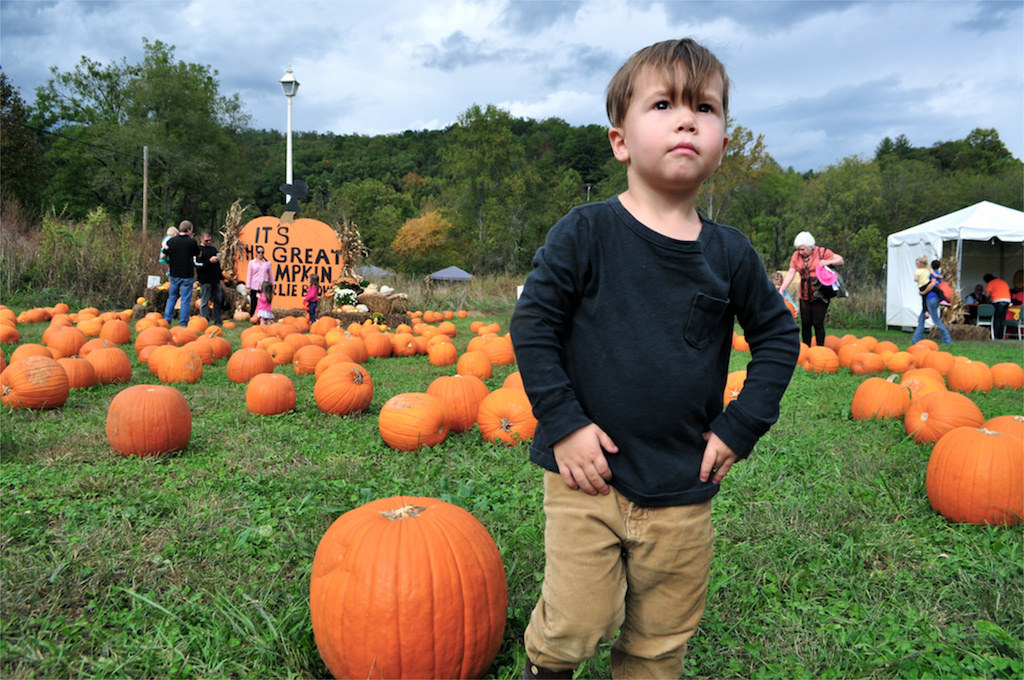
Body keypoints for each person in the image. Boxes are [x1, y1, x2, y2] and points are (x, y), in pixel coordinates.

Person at [509, 38, 800, 680]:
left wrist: (741, 425)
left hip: (682, 482)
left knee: (661, 638)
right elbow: (533, 324)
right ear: (620, 141)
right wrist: (564, 423)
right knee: (576, 622)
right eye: (664, 104)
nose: (687, 120)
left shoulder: (730, 254)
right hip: (586, 475)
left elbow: (779, 338)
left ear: (722, 144)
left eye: (706, 108)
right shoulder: (585, 233)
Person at [779, 232, 844, 347]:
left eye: (803, 249)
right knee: (806, 323)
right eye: (798, 249)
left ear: (810, 247)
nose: (800, 252)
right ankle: (806, 348)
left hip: (820, 292)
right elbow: (791, 273)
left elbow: (840, 260)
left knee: (818, 322)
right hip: (804, 293)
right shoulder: (796, 256)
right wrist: (782, 289)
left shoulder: (821, 252)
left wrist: (827, 262)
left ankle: (820, 349)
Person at [162, 220, 200, 326]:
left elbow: (163, 256)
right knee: (185, 299)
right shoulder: (192, 242)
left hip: (174, 274)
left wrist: (169, 261)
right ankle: (183, 322)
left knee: (172, 297)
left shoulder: (171, 241)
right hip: (187, 274)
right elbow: (198, 254)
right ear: (189, 230)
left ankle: (167, 319)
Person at [912, 259, 953, 346]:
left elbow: (932, 284)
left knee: (936, 320)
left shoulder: (931, 274)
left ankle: (947, 341)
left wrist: (923, 292)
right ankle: (916, 340)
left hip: (931, 298)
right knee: (921, 319)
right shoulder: (937, 273)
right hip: (934, 298)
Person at [196, 232, 225, 326]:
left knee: (218, 300)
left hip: (215, 279)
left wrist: (221, 279)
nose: (209, 242)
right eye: (206, 240)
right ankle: (204, 320)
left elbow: (217, 266)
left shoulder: (213, 249)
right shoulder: (198, 250)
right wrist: (209, 261)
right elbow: (198, 264)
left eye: (210, 240)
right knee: (205, 301)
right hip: (205, 280)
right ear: (201, 239)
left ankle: (218, 320)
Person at [246, 246, 274, 317]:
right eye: (259, 252)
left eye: (262, 252)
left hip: (264, 287)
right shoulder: (251, 263)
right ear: (256, 253)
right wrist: (248, 287)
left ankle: (262, 317)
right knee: (254, 303)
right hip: (254, 286)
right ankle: (253, 317)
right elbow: (249, 275)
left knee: (263, 303)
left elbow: (270, 275)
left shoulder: (267, 263)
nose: (260, 254)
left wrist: (272, 285)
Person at [984, 273, 1011, 339]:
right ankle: (1001, 335)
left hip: (998, 301)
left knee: (997, 318)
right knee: (1002, 318)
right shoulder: (1003, 282)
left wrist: (989, 299)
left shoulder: (990, 283)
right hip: (1007, 301)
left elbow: (987, 295)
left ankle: (997, 335)